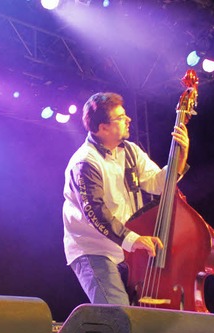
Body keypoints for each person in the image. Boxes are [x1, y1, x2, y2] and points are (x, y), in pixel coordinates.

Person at [62, 92, 189, 305]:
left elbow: (158, 184)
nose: (128, 120)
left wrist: (181, 157)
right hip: (93, 249)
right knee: (119, 314)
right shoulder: (85, 162)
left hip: (125, 249)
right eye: (120, 118)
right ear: (102, 128)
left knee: (136, 316)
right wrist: (134, 239)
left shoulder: (130, 150)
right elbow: (96, 214)